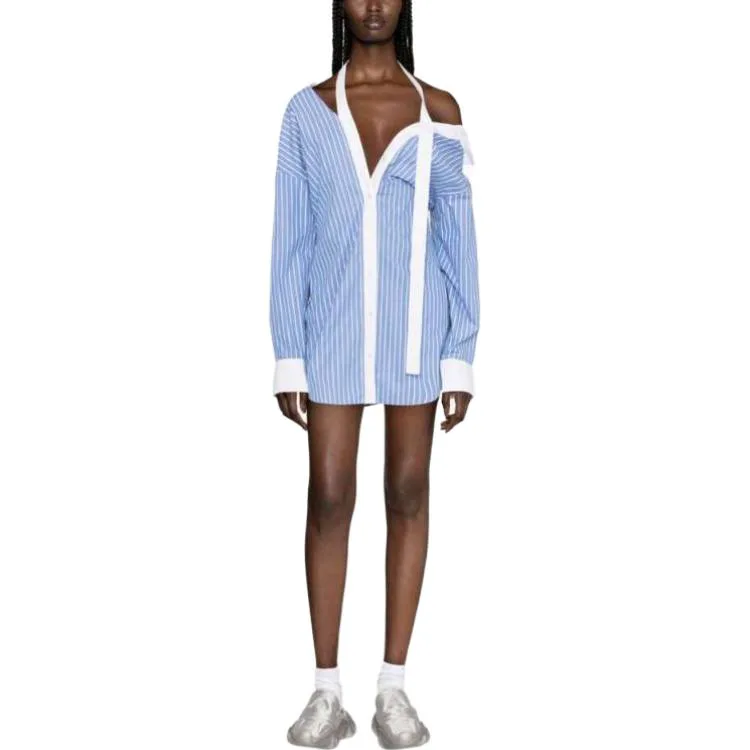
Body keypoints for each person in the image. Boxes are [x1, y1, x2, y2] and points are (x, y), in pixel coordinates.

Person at [269, 1, 480, 747]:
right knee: (329, 492)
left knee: (408, 488)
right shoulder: (307, 113)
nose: (374, 5)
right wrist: (288, 351)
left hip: (417, 334)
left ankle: (393, 686)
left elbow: (458, 237)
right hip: (331, 329)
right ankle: (326, 692)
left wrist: (461, 353)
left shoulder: (438, 111)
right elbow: (290, 236)